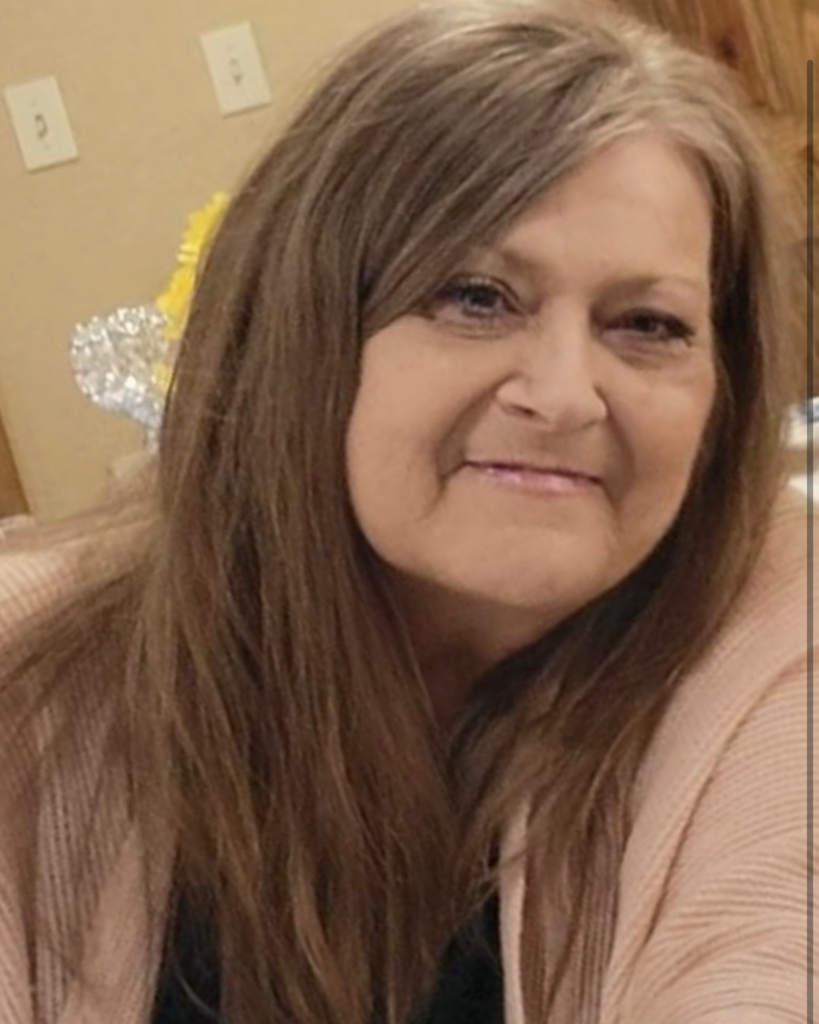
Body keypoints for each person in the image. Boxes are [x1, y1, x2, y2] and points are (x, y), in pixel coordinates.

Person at [0, 1, 813, 1022]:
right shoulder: (35, 686)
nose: (565, 395)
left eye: (647, 324)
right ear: (299, 333)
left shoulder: (782, 650)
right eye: (476, 297)